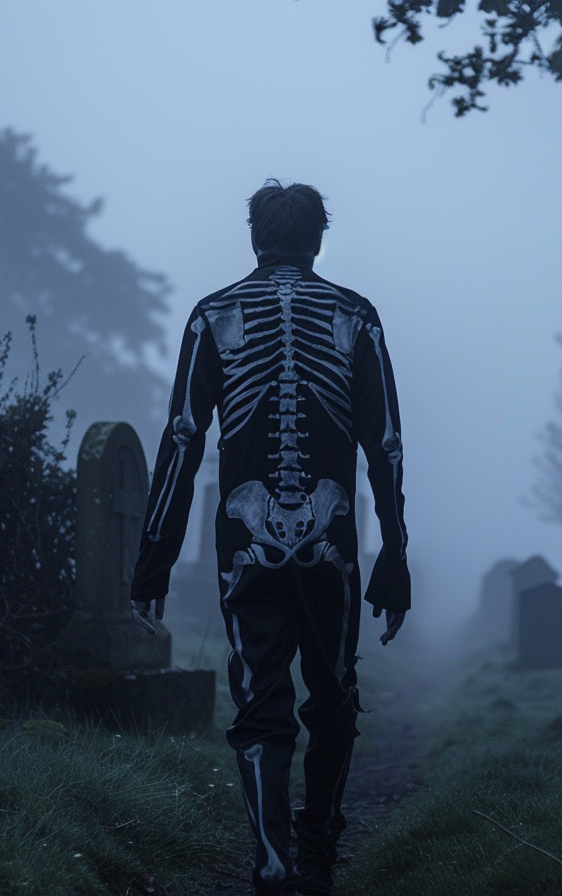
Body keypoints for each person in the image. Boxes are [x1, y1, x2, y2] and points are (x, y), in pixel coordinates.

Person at [130, 180, 410, 895]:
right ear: (318, 239)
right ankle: (316, 848)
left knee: (260, 701)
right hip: (333, 548)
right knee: (335, 693)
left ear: (255, 236)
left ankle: (274, 860)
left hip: (246, 547)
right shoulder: (356, 315)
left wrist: (154, 558)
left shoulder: (213, 314)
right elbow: (384, 444)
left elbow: (183, 440)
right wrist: (394, 556)